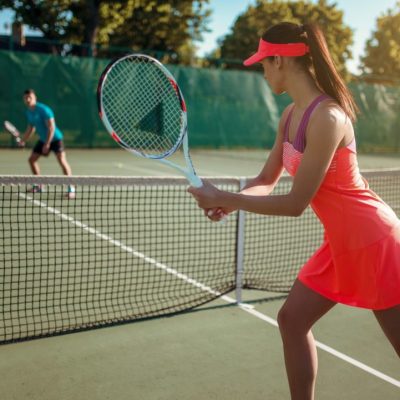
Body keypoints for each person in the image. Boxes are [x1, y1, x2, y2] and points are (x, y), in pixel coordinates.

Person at [188, 22, 400, 399]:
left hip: (373, 241)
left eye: (264, 64)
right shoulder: (290, 117)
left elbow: (295, 203)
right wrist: (227, 200)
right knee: (292, 320)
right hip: (341, 243)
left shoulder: (329, 118)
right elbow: (267, 177)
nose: (263, 70)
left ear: (281, 61)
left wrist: (229, 198)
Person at [19, 89, 75, 199]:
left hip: (55, 139)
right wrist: (23, 140)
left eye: (30, 97)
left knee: (62, 161)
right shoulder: (29, 111)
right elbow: (31, 128)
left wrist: (47, 143)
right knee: (32, 160)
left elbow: (51, 127)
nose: (28, 99)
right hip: (44, 140)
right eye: (26, 98)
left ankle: (71, 189)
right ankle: (39, 185)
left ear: (35, 97)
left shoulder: (44, 110)